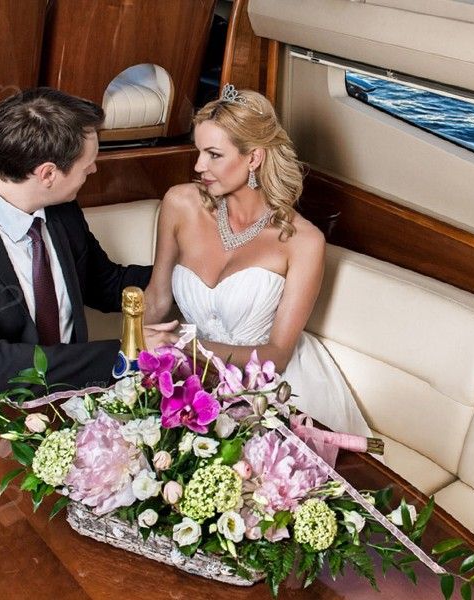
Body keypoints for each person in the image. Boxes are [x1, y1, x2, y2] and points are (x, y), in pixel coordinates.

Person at [0, 87, 176, 419]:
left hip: (66, 403)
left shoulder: (58, 203)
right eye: (87, 164)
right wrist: (127, 351)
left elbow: (104, 284)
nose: (93, 170)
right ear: (47, 174)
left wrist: (194, 278)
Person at [145, 85, 372, 437]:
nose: (199, 166)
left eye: (214, 155)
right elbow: (157, 299)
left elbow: (278, 354)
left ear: (254, 158)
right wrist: (137, 353)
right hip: (189, 378)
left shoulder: (304, 242)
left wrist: (188, 349)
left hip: (272, 389)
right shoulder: (180, 204)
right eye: (199, 151)